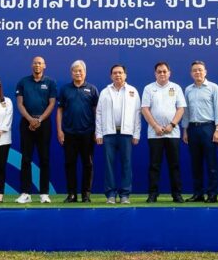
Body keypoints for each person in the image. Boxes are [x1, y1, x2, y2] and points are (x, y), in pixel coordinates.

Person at [96, 64, 142, 204]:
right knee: (109, 165)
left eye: (120, 73)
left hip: (126, 134)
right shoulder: (105, 91)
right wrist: (99, 133)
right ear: (111, 76)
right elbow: (99, 113)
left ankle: (125, 195)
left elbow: (137, 114)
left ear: (125, 75)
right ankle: (110, 194)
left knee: (126, 164)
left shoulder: (132, 91)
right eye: (115, 73)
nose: (118, 75)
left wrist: (136, 134)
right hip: (109, 133)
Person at [141, 62, 186, 203]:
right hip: (155, 134)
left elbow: (181, 109)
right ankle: (153, 194)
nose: (162, 74)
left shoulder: (176, 87)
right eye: (159, 72)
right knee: (154, 165)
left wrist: (172, 125)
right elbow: (145, 109)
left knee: (175, 165)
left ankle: (177, 194)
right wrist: (155, 126)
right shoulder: (149, 88)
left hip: (172, 133)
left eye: (164, 71)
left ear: (169, 73)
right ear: (155, 74)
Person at [15, 57, 57, 204]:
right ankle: (25, 193)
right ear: (31, 65)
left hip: (44, 124)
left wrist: (39, 120)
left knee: (44, 158)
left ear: (44, 65)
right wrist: (30, 119)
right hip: (26, 123)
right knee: (26, 158)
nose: (37, 65)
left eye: (40, 63)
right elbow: (20, 103)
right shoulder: (23, 82)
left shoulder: (50, 83)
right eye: (35, 63)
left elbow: (52, 104)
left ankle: (44, 193)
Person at [56, 60, 99, 203]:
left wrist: (97, 131)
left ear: (85, 72)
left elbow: (96, 112)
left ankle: (86, 194)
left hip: (88, 133)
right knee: (70, 164)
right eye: (75, 71)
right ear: (71, 73)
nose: (78, 73)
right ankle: (72, 194)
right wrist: (60, 131)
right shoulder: (65, 89)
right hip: (69, 133)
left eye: (80, 70)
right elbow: (60, 111)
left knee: (88, 164)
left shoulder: (92, 89)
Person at [182, 60, 218, 203]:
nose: (197, 72)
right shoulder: (188, 89)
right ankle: (198, 194)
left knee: (211, 163)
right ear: (191, 73)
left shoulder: (213, 88)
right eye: (194, 70)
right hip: (193, 128)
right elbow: (186, 112)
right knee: (196, 163)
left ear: (205, 72)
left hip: (209, 128)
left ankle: (212, 194)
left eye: (200, 70)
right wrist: (185, 130)